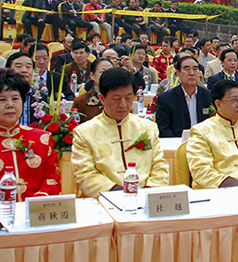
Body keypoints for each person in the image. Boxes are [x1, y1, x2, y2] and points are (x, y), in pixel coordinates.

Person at [71, 68, 169, 198]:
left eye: (128, 98)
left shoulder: (147, 127)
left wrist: (148, 191)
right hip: (103, 201)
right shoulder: (84, 132)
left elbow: (160, 166)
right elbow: (85, 174)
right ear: (102, 99)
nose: (123, 105)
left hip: (145, 199)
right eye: (116, 98)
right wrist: (119, 194)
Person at [0, 70, 60, 201]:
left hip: (35, 213)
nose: (10, 105)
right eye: (2, 99)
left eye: (15, 98)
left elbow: (51, 179)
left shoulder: (42, 138)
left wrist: (35, 203)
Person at [186, 79, 238, 188]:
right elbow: (201, 172)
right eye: (234, 100)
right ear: (218, 104)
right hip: (218, 193)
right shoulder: (201, 131)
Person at [154, 56, 212, 138]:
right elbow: (164, 129)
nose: (192, 73)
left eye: (195, 69)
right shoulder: (166, 99)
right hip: (177, 144)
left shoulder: (209, 96)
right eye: (187, 69)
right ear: (178, 74)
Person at [71, 57, 114, 123]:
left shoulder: (120, 99)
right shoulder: (80, 102)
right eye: (102, 72)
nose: (107, 75)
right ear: (92, 75)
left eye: (110, 72)